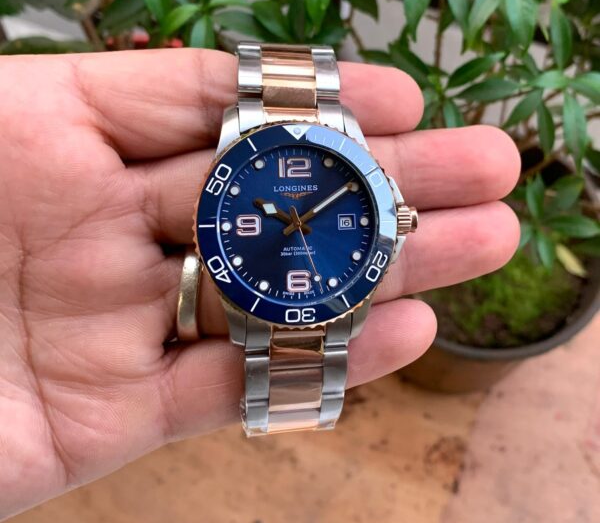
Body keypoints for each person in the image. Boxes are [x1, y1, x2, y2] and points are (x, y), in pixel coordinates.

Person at [0, 48, 520, 519]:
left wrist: (282, 214)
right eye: (288, 220)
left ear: (397, 219)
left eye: (299, 221)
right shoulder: (252, 148)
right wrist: (286, 218)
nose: (296, 226)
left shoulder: (334, 191)